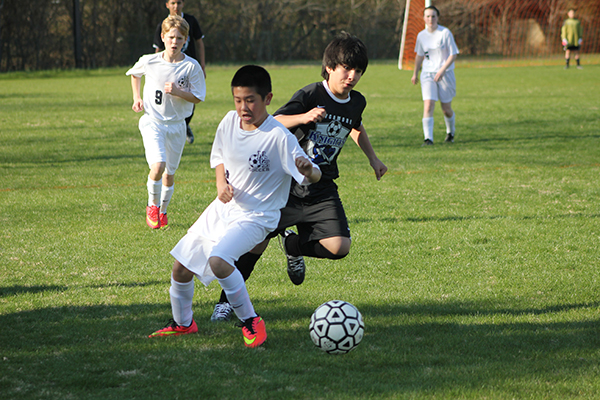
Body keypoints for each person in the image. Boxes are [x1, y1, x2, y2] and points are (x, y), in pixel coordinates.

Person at [210, 32, 387, 323]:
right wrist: (304, 117)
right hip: (286, 187)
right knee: (255, 245)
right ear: (329, 67)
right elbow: (274, 121)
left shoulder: (357, 101)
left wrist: (373, 158)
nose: (352, 76)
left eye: (358, 71)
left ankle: (293, 246)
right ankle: (225, 303)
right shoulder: (311, 95)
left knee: (339, 247)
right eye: (346, 69)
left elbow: (355, 126)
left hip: (321, 185)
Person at [148, 65, 321, 347]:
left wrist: (309, 169)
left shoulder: (279, 137)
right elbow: (219, 156)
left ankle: (251, 321)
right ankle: (183, 324)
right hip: (223, 208)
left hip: (258, 215)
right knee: (181, 268)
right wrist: (221, 184)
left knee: (219, 261)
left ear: (267, 98)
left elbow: (314, 174)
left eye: (250, 100)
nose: (243, 107)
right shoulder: (229, 121)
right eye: (238, 100)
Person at [127, 15, 206, 230]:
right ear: (162, 37)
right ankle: (152, 206)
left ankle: (162, 211)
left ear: (185, 41)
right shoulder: (150, 60)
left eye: (179, 38)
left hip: (177, 125)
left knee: (169, 174)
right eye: (171, 37)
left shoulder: (191, 66)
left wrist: (180, 92)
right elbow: (135, 74)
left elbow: (198, 97)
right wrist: (137, 97)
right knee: (158, 165)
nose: (174, 42)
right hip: (153, 122)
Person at [154, 0, 206, 144]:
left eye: (179, 2)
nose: (176, 6)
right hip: (169, 68)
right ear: (167, 5)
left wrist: (202, 65)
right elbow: (158, 49)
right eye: (173, 3)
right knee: (171, 97)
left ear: (183, 4)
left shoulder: (191, 21)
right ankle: (172, 126)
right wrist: (156, 67)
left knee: (191, 97)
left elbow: (199, 43)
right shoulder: (162, 24)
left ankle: (185, 124)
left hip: (187, 70)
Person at [411, 5, 459, 146]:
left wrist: (442, 70)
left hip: (445, 74)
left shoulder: (445, 33)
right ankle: (428, 139)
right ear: (424, 18)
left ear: (437, 17)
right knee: (428, 105)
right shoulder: (421, 35)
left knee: (446, 109)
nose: (430, 19)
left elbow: (453, 54)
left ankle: (450, 133)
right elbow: (419, 56)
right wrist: (415, 73)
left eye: (433, 16)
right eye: (428, 16)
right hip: (427, 74)